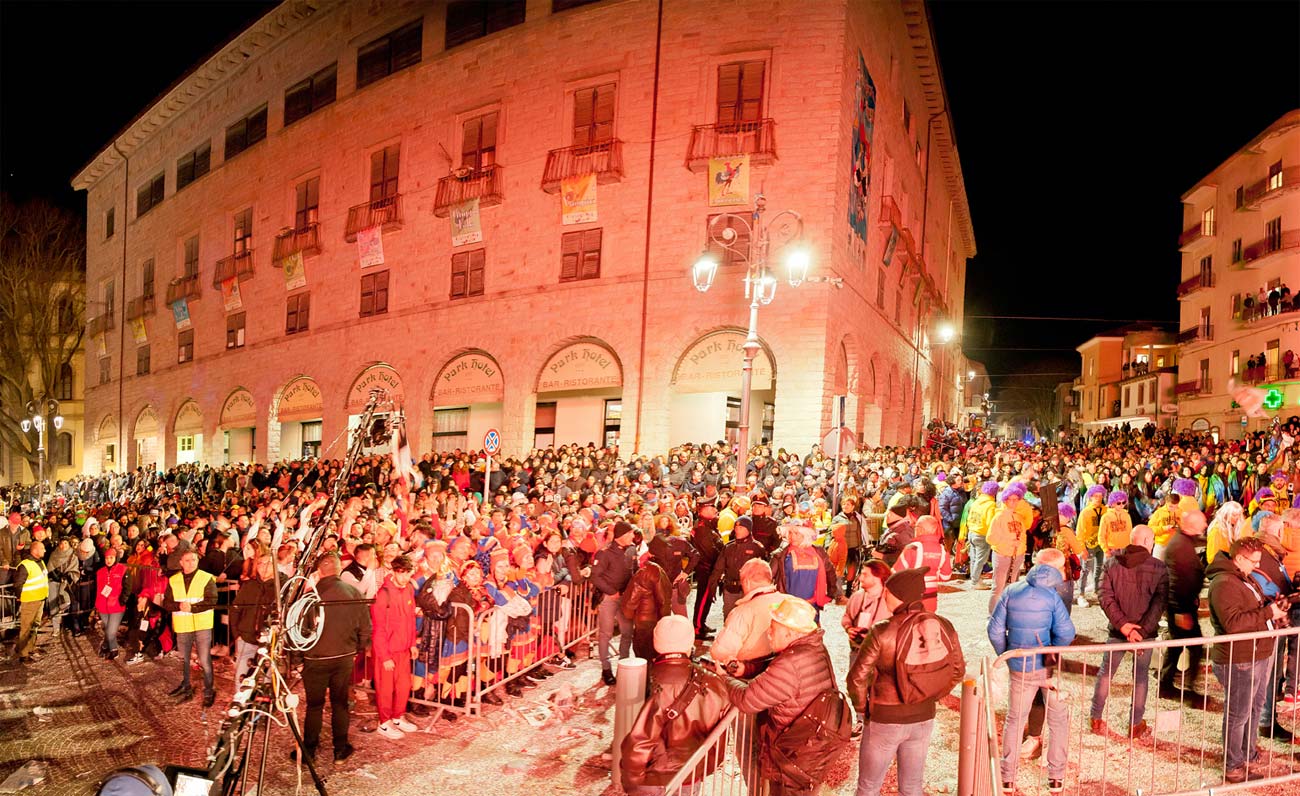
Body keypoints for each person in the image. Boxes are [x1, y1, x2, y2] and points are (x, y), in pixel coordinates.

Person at [848, 567, 965, 796]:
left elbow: (857, 677)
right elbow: (957, 670)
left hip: (884, 717)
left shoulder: (882, 631)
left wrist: (864, 710)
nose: (884, 597)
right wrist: (929, 694)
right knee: (912, 787)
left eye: (887, 593)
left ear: (897, 595)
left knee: (869, 786)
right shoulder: (943, 624)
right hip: (923, 717)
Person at [721, 596, 839, 796]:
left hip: (791, 758)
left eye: (773, 629)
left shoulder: (790, 664)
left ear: (789, 633)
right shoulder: (812, 648)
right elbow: (778, 666)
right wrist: (746, 669)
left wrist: (723, 678)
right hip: (809, 748)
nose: (768, 633)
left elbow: (747, 700)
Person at [988, 557, 1076, 794]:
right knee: (1058, 720)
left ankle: (1007, 778)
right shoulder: (1052, 597)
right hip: (1046, 668)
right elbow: (1067, 632)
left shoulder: (1011, 591)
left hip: (1020, 667)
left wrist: (1007, 654)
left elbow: (994, 629)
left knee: (1015, 721)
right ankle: (1056, 778)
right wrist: (1051, 651)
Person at [1206, 537, 1288, 783]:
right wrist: (1267, 612)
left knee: (1253, 708)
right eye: (1253, 561)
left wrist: (1271, 605)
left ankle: (1247, 753)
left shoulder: (1242, 577)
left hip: (1257, 652)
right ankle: (1233, 766)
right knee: (1238, 714)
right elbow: (1232, 624)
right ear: (1239, 559)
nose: (1257, 566)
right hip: (1239, 657)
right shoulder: (1224, 583)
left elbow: (1251, 608)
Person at [620, 615, 731, 795]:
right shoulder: (713, 680)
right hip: (692, 770)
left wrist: (631, 781)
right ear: (690, 643)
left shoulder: (650, 680)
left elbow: (640, 742)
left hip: (656, 777)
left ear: (656, 643)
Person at [1089, 525, 1168, 739]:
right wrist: (1140, 631)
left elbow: (1105, 596)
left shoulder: (1111, 564)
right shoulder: (1159, 567)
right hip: (1145, 633)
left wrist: (1123, 625)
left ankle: (1095, 717)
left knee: (1106, 673)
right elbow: (1159, 603)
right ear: (1146, 542)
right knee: (1140, 678)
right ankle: (1135, 724)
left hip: (1117, 631)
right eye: (1151, 541)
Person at [297, 552, 371, 764]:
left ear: (319, 571)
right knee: (340, 704)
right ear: (338, 569)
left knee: (314, 705)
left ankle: (309, 751)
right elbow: (365, 628)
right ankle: (340, 750)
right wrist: (356, 649)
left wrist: (298, 659)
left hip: (315, 659)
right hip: (343, 657)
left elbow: (298, 630)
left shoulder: (309, 596)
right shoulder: (354, 592)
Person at [1159, 509, 1208, 701]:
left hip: (1185, 605)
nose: (1205, 525)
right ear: (1190, 525)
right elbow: (1176, 582)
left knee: (1178, 646)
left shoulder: (1184, 541)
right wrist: (1180, 611)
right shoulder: (1180, 546)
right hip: (1181, 607)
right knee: (1191, 646)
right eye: (1202, 522)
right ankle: (1178, 686)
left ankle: (1167, 683)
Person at [371, 554, 418, 740]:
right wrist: (384, 656)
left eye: (408, 573)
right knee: (385, 688)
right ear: (393, 572)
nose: (405, 577)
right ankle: (384, 722)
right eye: (402, 573)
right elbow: (379, 628)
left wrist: (412, 643)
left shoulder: (408, 590)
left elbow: (411, 619)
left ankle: (398, 716)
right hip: (388, 651)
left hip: (403, 649)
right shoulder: (383, 595)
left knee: (403, 686)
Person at [710, 558, 784, 676]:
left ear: (747, 582)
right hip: (781, 671)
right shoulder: (788, 603)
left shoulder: (742, 612)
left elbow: (720, 653)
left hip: (746, 677)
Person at [164, 549, 218, 706]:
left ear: (198, 561)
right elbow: (167, 603)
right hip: (183, 625)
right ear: (181, 563)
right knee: (185, 659)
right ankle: (186, 686)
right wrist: (178, 606)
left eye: (193, 560)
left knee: (204, 659)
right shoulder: (173, 580)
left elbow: (212, 600)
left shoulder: (206, 578)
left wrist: (193, 608)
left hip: (202, 624)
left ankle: (208, 691)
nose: (191, 563)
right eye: (187, 560)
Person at [591, 520, 637, 685]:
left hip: (625, 599)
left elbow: (635, 572)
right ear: (622, 535)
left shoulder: (632, 549)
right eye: (631, 533)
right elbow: (595, 576)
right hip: (609, 599)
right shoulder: (604, 553)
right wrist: (611, 592)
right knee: (606, 634)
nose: (633, 535)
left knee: (627, 632)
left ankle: (623, 664)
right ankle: (606, 669)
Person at [230, 553, 277, 685]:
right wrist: (236, 634)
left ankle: (261, 703)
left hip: (268, 641)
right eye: (260, 564)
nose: (263, 567)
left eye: (267, 563)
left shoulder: (281, 587)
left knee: (266, 677)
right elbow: (235, 609)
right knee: (242, 674)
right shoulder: (249, 585)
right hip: (246, 638)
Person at [708, 516, 768, 618]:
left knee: (747, 619)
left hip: (748, 591)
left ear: (748, 530)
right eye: (736, 528)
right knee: (729, 618)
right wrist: (712, 587)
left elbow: (764, 572)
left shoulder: (757, 548)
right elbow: (718, 569)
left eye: (741, 528)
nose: (737, 530)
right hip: (730, 589)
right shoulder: (728, 547)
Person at [891, 515, 951, 612]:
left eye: (916, 527)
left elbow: (895, 573)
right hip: (931, 598)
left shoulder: (913, 548)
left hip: (911, 598)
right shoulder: (942, 550)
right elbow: (946, 576)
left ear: (920, 529)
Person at [623, 550, 672, 664]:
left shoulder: (644, 573)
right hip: (657, 620)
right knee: (655, 653)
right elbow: (664, 599)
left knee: (643, 655)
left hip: (644, 619)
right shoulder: (659, 571)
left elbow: (632, 600)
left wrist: (628, 613)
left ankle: (645, 680)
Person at [986, 482, 1030, 611]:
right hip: (1002, 554)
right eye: (1010, 499)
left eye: (1016, 499)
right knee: (998, 587)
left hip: (1017, 556)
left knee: (1011, 587)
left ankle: (1007, 613)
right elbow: (990, 538)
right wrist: (1008, 542)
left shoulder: (1019, 517)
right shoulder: (998, 517)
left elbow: (1023, 536)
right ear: (1005, 500)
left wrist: (1021, 549)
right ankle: (992, 614)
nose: (1013, 502)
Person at [841, 560, 893, 656]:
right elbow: (847, 617)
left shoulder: (890, 601)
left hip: (882, 655)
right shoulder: (856, 597)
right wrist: (849, 628)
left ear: (878, 577)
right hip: (857, 651)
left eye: (865, 575)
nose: (860, 578)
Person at [12, 540, 48, 663]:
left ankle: (30, 647)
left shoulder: (40, 562)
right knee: (26, 627)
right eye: (42, 548)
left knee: (35, 626)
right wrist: (19, 597)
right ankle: (23, 654)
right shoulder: (25, 565)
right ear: (35, 550)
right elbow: (18, 584)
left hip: (40, 598)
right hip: (30, 600)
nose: (45, 550)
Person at [94, 545, 128, 660]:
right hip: (102, 605)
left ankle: (113, 648)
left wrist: (122, 600)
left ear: (116, 558)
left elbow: (127, 587)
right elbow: (98, 589)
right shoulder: (100, 572)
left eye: (111, 558)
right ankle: (105, 645)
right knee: (109, 629)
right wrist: (96, 604)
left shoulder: (123, 569)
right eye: (107, 558)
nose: (108, 560)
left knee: (111, 630)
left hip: (117, 606)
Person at [964, 481, 999, 587]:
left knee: (974, 558)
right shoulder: (991, 505)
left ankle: (975, 579)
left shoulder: (976, 502)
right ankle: (975, 581)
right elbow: (990, 523)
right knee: (980, 559)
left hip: (972, 532)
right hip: (982, 534)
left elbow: (969, 517)